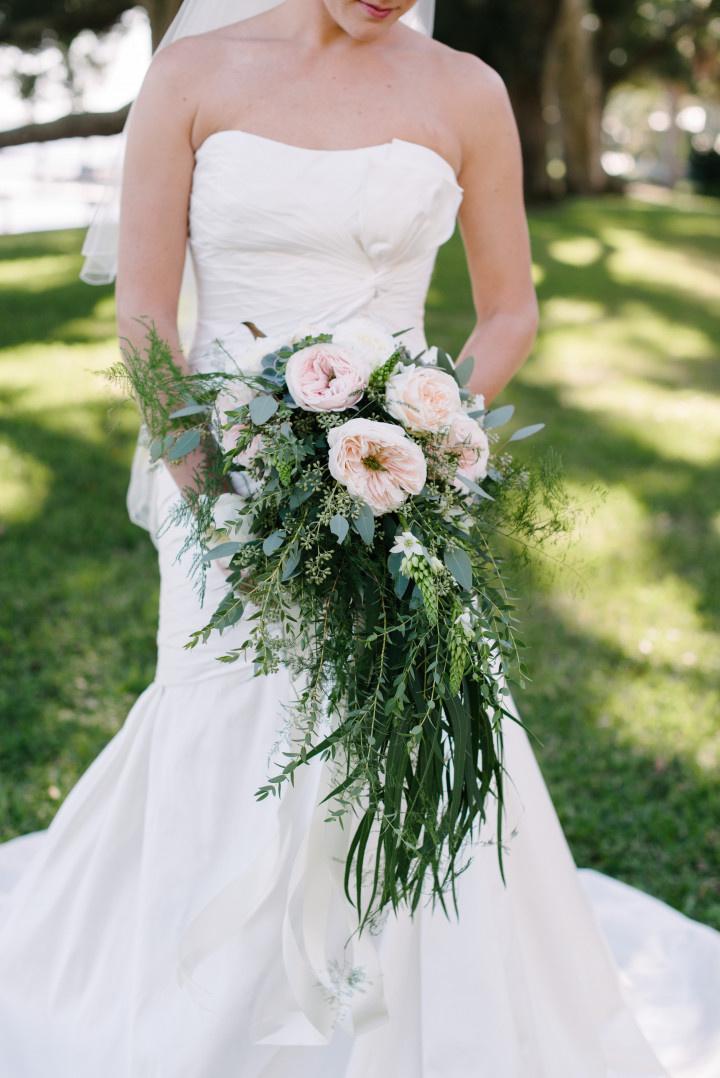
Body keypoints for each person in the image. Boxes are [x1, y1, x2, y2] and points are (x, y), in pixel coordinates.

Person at [0, 1, 718, 1075]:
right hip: (220, 475)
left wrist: (420, 432)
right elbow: (148, 314)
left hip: (399, 486)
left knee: (411, 721)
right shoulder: (192, 74)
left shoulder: (467, 90)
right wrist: (210, 490)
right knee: (229, 723)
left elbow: (510, 307)